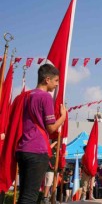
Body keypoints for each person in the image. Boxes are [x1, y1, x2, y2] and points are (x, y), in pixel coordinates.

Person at [15, 64, 67, 204]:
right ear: (47, 79)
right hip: (37, 150)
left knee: (24, 195)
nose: (57, 85)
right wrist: (63, 117)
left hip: (22, 148)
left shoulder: (26, 96)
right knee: (30, 197)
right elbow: (50, 128)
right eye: (56, 81)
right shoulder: (45, 97)